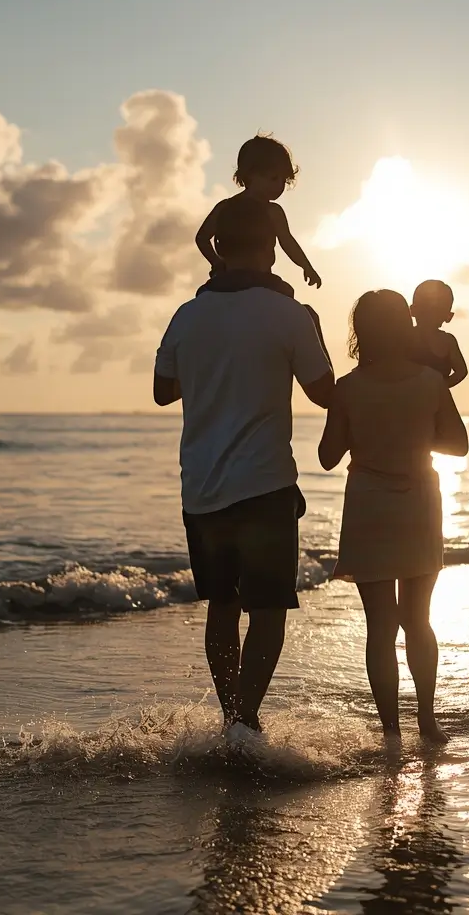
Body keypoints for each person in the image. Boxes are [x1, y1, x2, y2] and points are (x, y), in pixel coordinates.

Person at [153, 229, 334, 737]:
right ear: (269, 250)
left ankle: (232, 715)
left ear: (219, 253)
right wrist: (310, 336)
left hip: (203, 489)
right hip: (265, 484)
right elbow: (324, 394)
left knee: (223, 606)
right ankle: (245, 721)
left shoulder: (188, 314)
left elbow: (163, 391)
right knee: (269, 609)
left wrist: (217, 364)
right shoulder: (288, 313)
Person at [318, 290, 468, 743]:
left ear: (360, 332)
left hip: (369, 505)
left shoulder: (347, 387)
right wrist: (418, 434)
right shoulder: (430, 382)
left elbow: (327, 456)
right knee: (418, 619)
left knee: (380, 628)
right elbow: (458, 444)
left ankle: (390, 731)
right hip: (419, 501)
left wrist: (361, 429)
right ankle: (427, 720)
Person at [195, 134, 322, 289]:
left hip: (225, 279)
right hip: (261, 280)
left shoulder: (223, 207)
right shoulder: (271, 211)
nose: (279, 186)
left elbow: (202, 238)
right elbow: (287, 242)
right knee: (286, 293)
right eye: (274, 178)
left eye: (284, 180)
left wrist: (216, 262)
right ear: (250, 174)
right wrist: (306, 267)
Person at [409, 280, 468, 387]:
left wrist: (440, 387)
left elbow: (461, 372)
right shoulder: (405, 336)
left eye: (435, 311)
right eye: (425, 310)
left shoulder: (448, 341)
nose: (429, 316)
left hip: (433, 400)